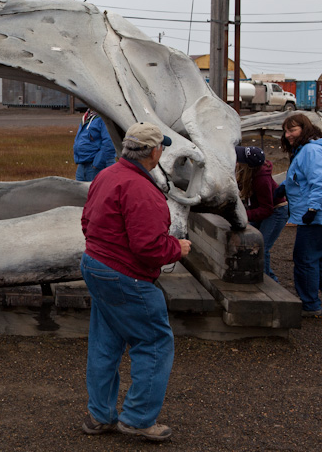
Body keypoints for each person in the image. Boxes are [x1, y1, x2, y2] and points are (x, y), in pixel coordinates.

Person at [79, 122, 191, 442]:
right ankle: (139, 418)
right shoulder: (142, 189)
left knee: (105, 343)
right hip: (126, 276)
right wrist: (177, 248)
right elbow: (149, 247)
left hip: (95, 265)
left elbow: (87, 222)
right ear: (154, 153)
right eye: (161, 148)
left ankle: (100, 416)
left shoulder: (106, 175)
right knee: (155, 342)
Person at [280, 113, 322, 317]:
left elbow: (320, 182)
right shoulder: (308, 148)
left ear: (304, 129)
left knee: (304, 258)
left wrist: (313, 209)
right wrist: (284, 188)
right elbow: (302, 177)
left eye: (292, 130)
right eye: (285, 131)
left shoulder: (311, 150)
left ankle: (310, 305)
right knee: (318, 255)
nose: (287, 135)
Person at [235, 145, 288, 282]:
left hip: (277, 211)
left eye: (239, 159)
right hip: (263, 209)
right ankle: (266, 276)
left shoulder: (261, 180)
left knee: (262, 247)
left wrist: (245, 215)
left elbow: (267, 209)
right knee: (251, 243)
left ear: (247, 165)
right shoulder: (247, 175)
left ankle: (267, 281)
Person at [73, 108, 116, 182]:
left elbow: (109, 142)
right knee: (79, 192)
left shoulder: (104, 117)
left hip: (96, 165)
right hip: (83, 164)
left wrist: (97, 164)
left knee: (98, 192)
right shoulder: (88, 116)